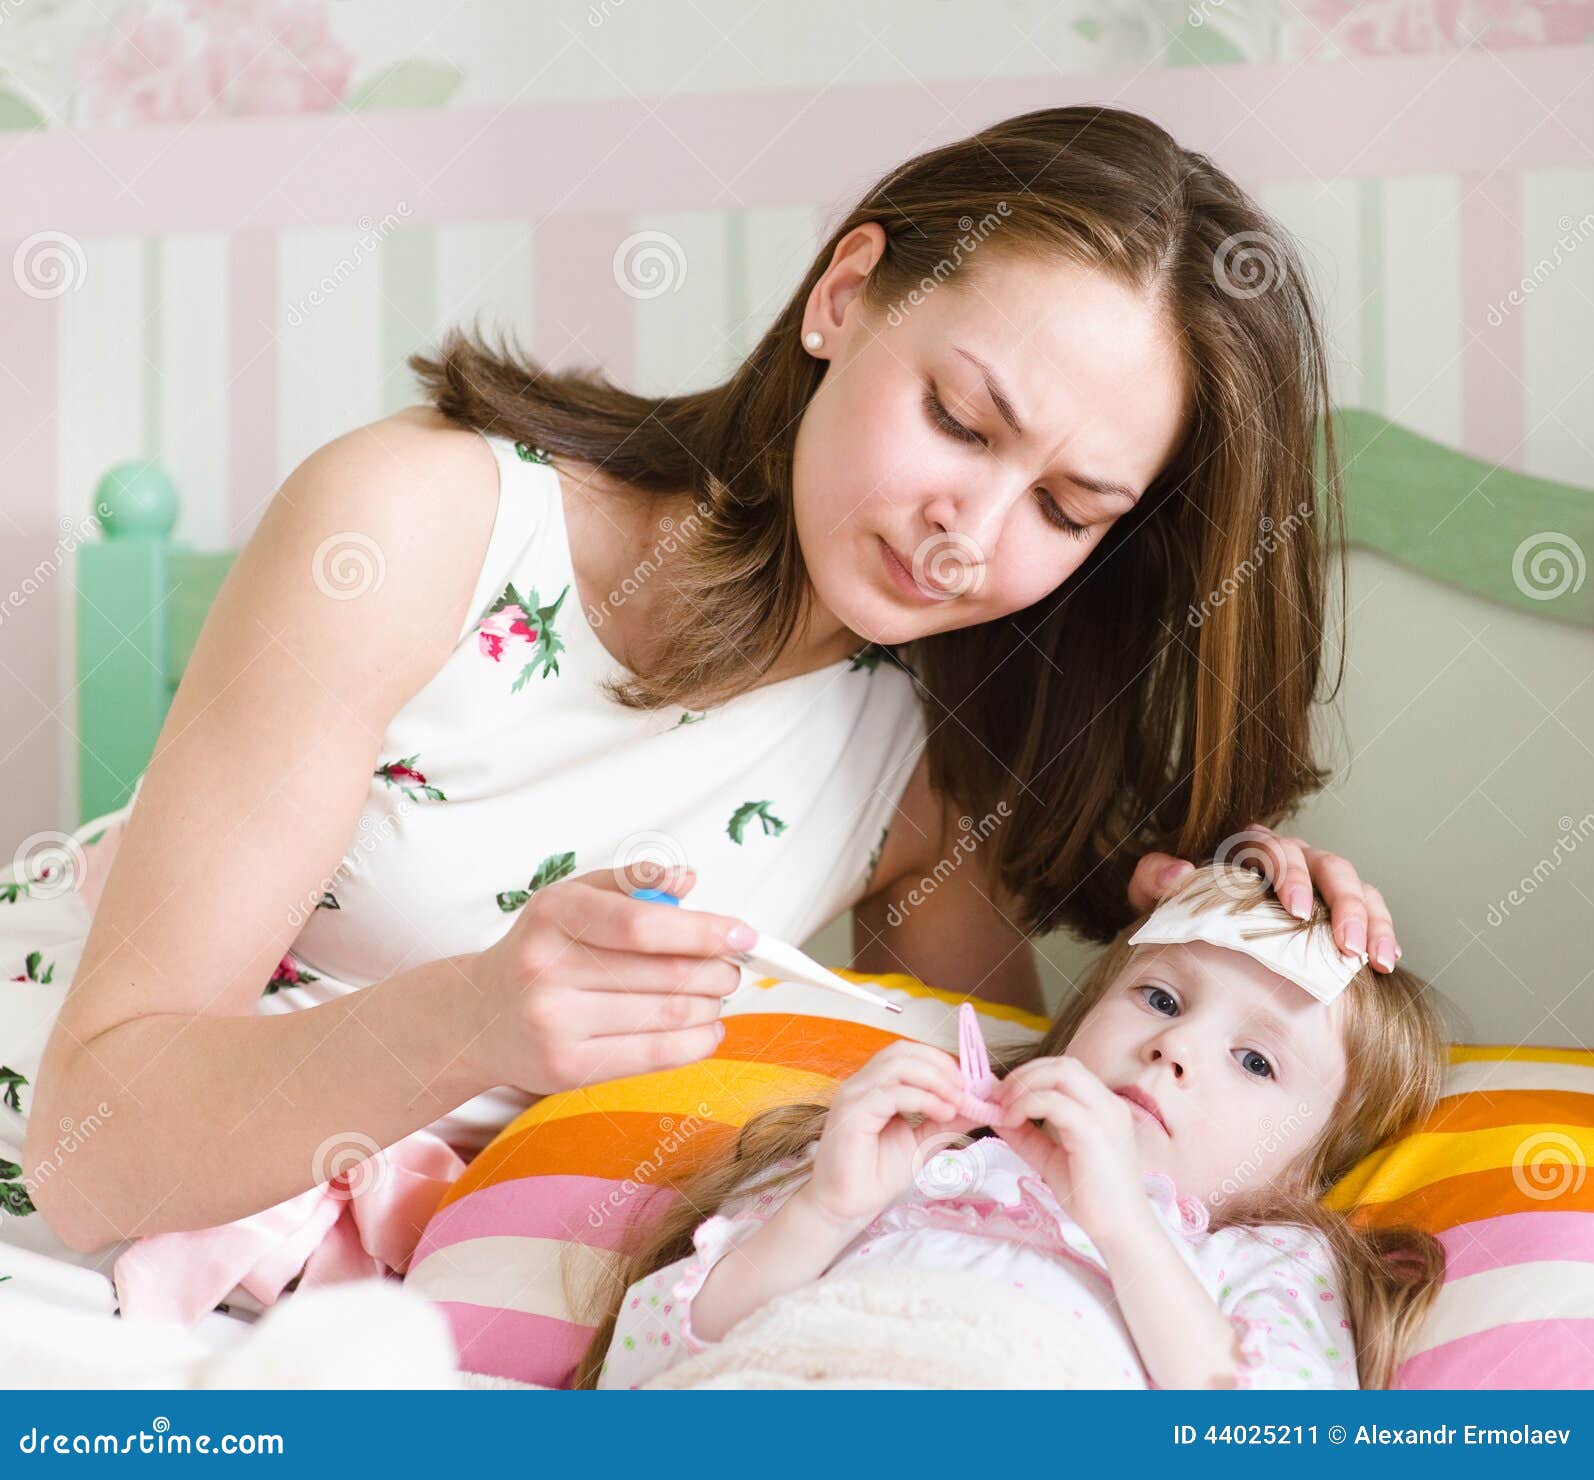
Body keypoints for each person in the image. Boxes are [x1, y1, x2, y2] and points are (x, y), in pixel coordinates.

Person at [5, 106, 1399, 1282]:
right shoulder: (417, 530)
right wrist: (471, 1021)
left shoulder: (925, 759)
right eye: (959, 423)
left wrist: (1244, 957)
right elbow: (89, 1142)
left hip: (339, 1296)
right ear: (845, 296)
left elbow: (1014, 1126)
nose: (967, 531)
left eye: (1067, 505)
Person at [580, 864, 1446, 1390]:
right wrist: (827, 1210)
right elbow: (644, 1366)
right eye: (1159, 998)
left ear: (1304, 1176)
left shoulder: (1260, 1262)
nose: (1175, 1044)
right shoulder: (908, 1153)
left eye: (1256, 1061)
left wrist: (1123, 1225)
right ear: (1075, 1027)